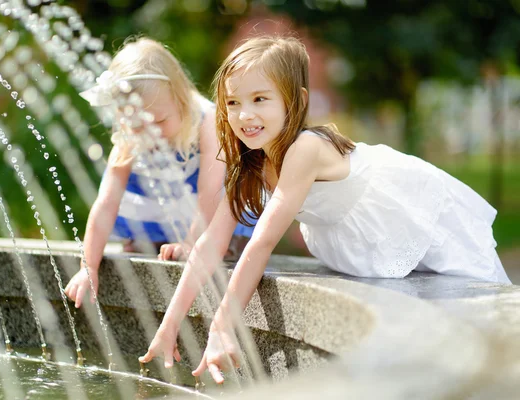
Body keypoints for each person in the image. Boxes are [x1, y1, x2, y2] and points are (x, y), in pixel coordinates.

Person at [138, 36, 512, 383]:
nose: (244, 115)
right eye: (233, 102)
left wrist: (222, 326)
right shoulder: (251, 164)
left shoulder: (306, 147)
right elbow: (209, 245)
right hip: (355, 228)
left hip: (400, 204)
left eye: (260, 99)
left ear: (297, 101)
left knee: (474, 301)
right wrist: (170, 325)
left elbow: (262, 243)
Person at [64, 37, 254, 308]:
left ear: (182, 100)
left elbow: (210, 190)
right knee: (145, 240)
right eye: (134, 124)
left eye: (160, 121)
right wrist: (88, 267)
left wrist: (191, 243)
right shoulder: (130, 137)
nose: (148, 133)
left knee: (220, 244)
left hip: (204, 207)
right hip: (158, 205)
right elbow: (106, 203)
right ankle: (156, 238)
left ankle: (204, 242)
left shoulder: (207, 121)